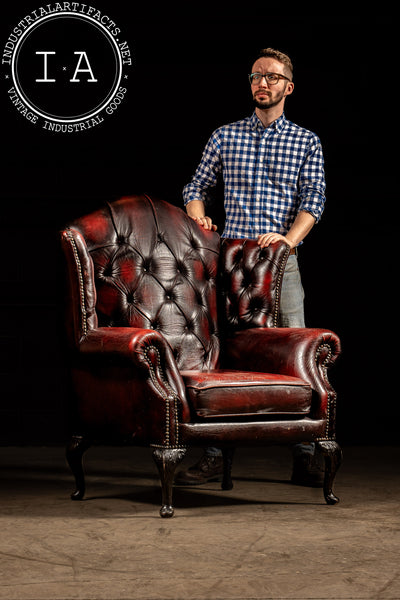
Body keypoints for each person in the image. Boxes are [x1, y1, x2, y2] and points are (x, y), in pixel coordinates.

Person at [176, 47, 326, 487]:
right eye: (257, 76)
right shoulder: (225, 136)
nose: (264, 83)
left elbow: (313, 200)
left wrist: (288, 239)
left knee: (297, 353)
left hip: (280, 263)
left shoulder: (306, 140)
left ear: (288, 86)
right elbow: (196, 185)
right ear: (251, 83)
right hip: (231, 262)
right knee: (223, 353)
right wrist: (197, 216)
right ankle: (215, 457)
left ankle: (305, 456)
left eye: (273, 77)